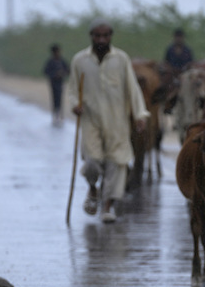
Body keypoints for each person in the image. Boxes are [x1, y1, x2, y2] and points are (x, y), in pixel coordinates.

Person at [69, 19, 150, 223]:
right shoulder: (80, 61)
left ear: (110, 36)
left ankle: (107, 207)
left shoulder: (121, 59)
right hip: (91, 121)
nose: (102, 39)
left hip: (118, 121)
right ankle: (93, 188)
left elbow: (133, 89)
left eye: (105, 35)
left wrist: (140, 114)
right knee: (92, 163)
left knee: (116, 163)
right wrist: (74, 105)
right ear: (92, 37)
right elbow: (71, 90)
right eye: (98, 35)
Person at [43, 43, 69, 126]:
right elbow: (46, 71)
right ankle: (55, 115)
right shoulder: (50, 61)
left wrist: (62, 74)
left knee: (60, 98)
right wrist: (55, 75)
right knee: (54, 99)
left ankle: (60, 115)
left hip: (60, 82)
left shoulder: (62, 61)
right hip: (53, 83)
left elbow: (68, 70)